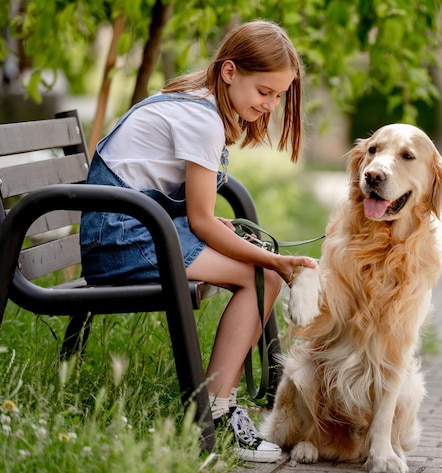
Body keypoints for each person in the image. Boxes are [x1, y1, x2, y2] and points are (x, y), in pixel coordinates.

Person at [79, 20, 316, 463]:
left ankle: (215, 407)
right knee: (264, 277)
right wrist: (275, 260)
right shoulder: (202, 119)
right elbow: (201, 222)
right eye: (264, 91)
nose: (270, 105)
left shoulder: (200, 98)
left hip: (133, 226)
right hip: (121, 238)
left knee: (259, 269)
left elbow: (187, 206)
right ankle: (214, 415)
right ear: (230, 72)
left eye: (279, 95)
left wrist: (214, 226)